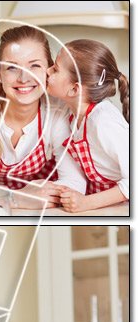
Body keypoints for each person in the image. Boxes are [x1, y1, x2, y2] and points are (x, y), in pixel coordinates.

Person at [0, 25, 87, 208]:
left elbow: (75, 184)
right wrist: (17, 198)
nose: (24, 78)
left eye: (34, 65)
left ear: (49, 71)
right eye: (11, 68)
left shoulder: (59, 112)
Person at [46, 40, 129, 212]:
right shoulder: (73, 116)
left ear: (75, 90)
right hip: (107, 209)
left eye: (55, 68)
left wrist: (87, 203)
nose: (47, 71)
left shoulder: (103, 121)